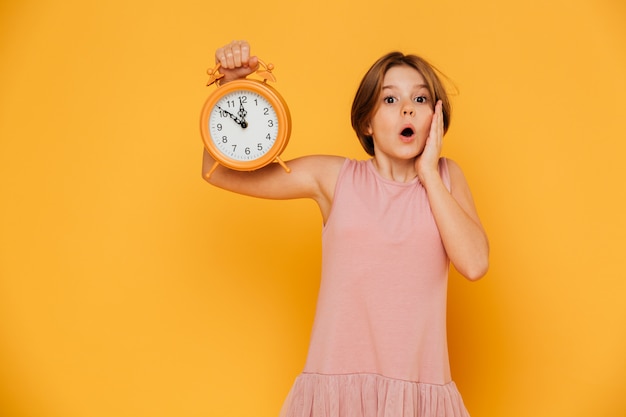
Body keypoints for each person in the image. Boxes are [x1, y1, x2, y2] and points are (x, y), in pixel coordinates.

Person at [203, 40, 489, 417]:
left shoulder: (448, 178)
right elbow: (217, 172)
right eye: (390, 99)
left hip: (418, 399)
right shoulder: (335, 178)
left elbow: (474, 264)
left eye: (420, 100)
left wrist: (429, 175)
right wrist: (231, 87)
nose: (407, 108)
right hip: (335, 398)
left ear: (434, 118)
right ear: (367, 121)